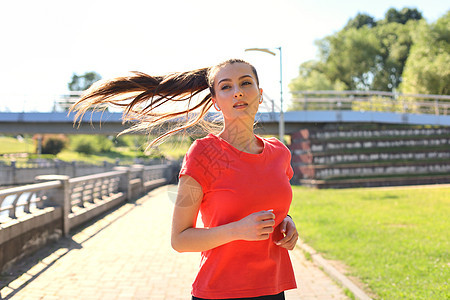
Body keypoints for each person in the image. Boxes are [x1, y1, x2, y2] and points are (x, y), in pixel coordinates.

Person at [71, 58, 299, 300]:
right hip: (220, 292)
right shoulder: (203, 154)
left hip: (274, 289)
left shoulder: (280, 153)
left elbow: (272, 206)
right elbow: (180, 239)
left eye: (245, 83)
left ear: (260, 94)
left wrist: (288, 222)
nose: (238, 93)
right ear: (216, 102)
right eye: (226, 87)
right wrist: (237, 230)